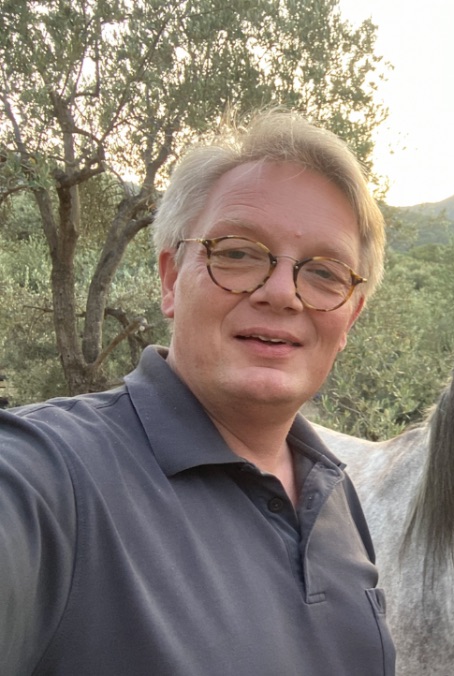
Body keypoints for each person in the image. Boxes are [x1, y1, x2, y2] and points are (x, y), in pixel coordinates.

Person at [0, 110, 396, 675]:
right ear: (170, 279)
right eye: (237, 252)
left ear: (350, 318)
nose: (283, 293)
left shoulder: (334, 494)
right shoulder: (48, 480)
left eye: (326, 273)